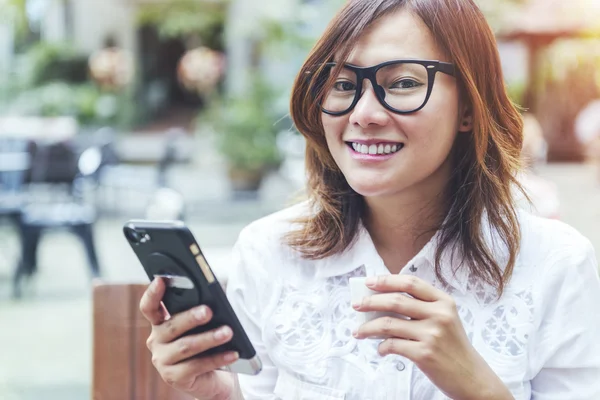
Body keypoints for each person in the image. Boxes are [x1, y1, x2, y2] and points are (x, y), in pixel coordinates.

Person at [139, 0, 600, 399]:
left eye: (402, 84)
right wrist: (221, 393)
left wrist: (479, 388)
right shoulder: (268, 253)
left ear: (467, 107)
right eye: (342, 85)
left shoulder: (555, 265)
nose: (364, 114)